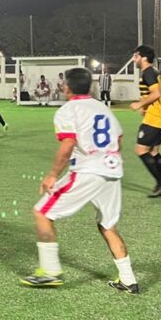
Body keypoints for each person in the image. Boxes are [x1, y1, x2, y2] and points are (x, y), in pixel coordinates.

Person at [19, 67, 139, 294]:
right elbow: (119, 138)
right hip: (112, 171)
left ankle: (50, 271)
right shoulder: (102, 107)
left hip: (88, 171)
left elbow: (67, 144)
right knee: (107, 225)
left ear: (67, 87)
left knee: (42, 213)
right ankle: (128, 279)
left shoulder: (69, 110)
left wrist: (53, 174)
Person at [130, 44, 161, 197]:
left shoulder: (148, 73)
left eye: (135, 56)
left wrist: (139, 104)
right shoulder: (154, 72)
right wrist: (145, 106)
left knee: (141, 150)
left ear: (143, 58)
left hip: (155, 118)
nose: (133, 59)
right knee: (154, 152)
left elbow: (156, 94)